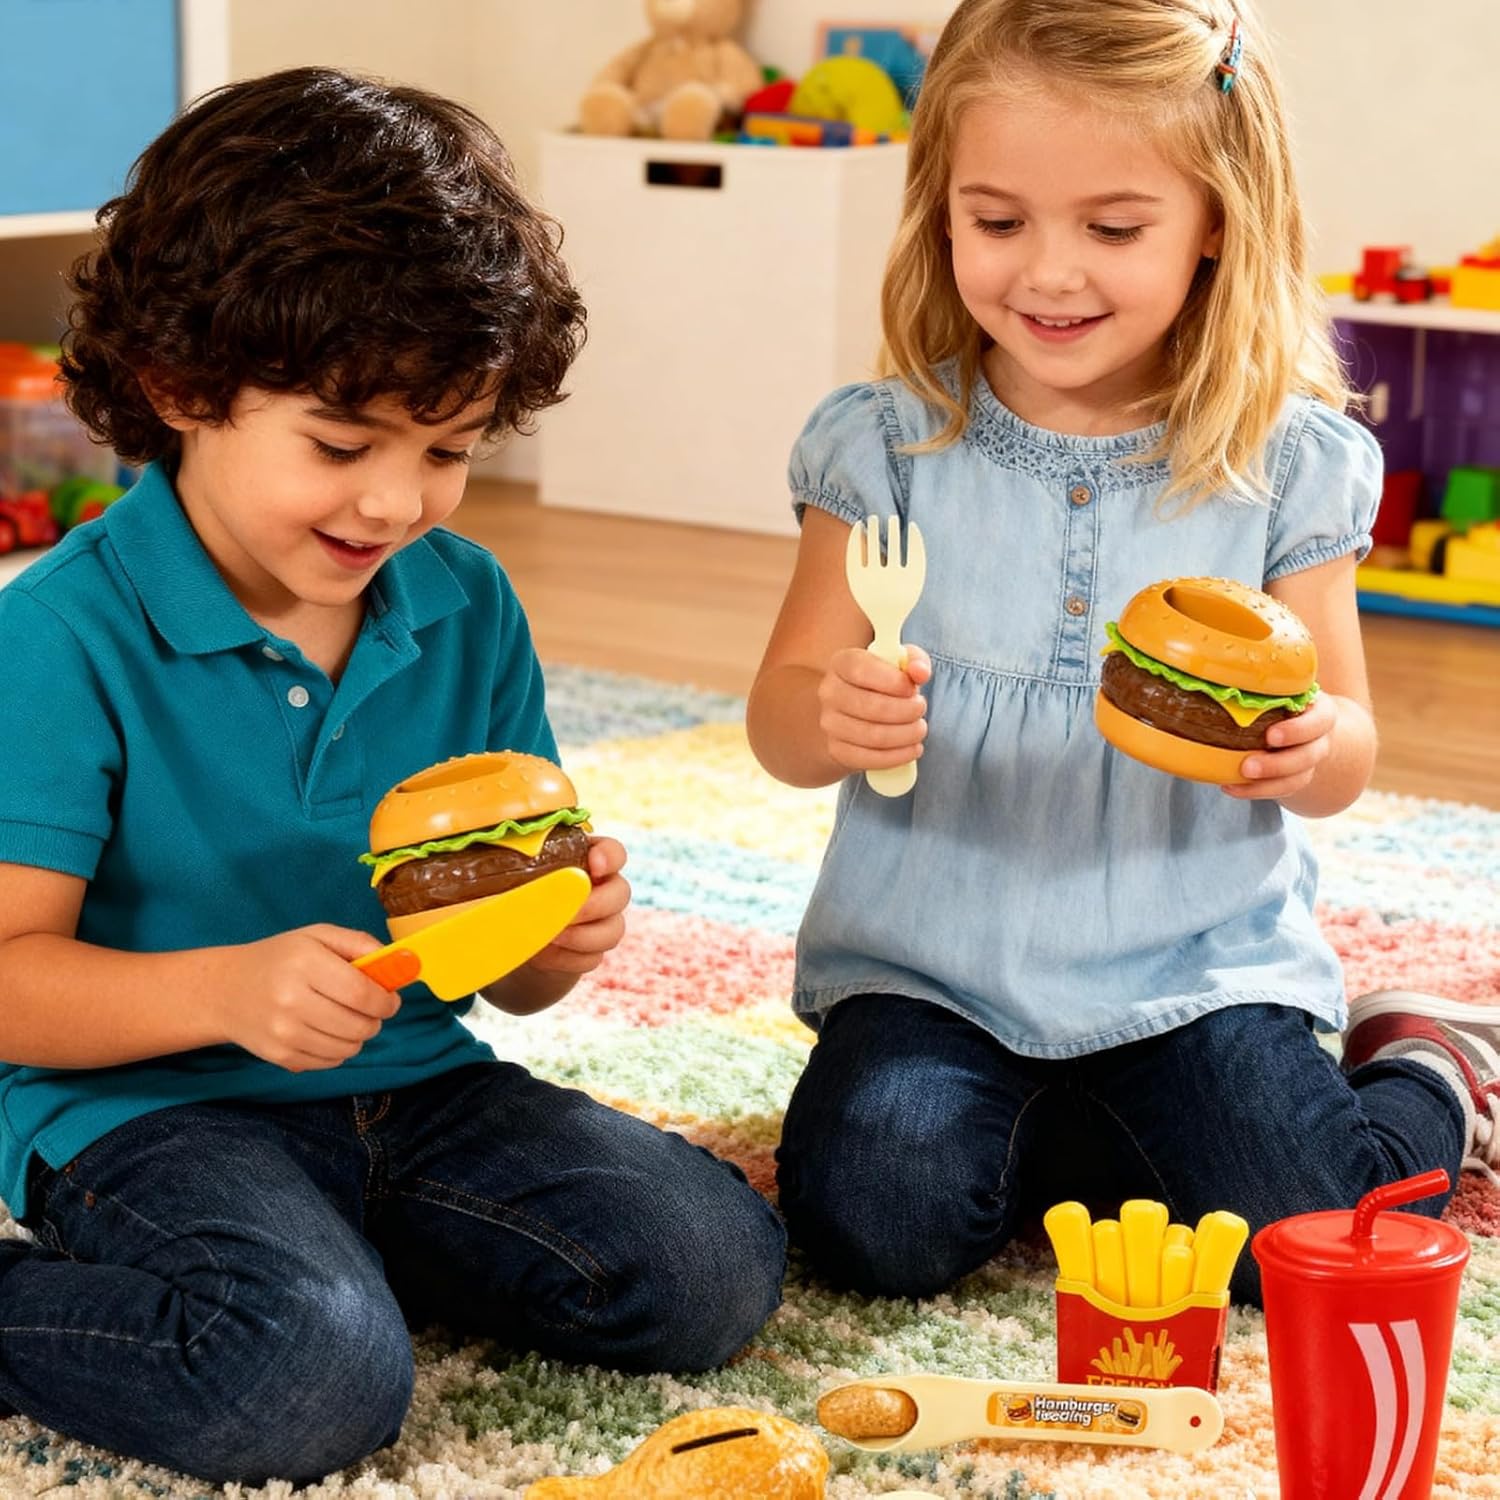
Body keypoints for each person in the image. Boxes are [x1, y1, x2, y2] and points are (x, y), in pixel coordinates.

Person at [0, 68, 784, 1485]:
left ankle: (333, 1270)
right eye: (342, 444)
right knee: (299, 1384)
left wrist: (553, 941)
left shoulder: (466, 603)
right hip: (150, 1114)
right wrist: (220, 993)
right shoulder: (61, 635)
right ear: (179, 384)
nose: (395, 501)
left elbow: (501, 974)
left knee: (710, 1267)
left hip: (420, 1089)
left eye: (448, 451)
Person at [746, 0, 1498, 1307]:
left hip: (1194, 976)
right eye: (998, 222)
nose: (1049, 274)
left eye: (1112, 229)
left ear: (1216, 222)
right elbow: (780, 717)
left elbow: (1348, 751)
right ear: (939, 209)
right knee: (873, 1224)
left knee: (1307, 1240)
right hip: (934, 976)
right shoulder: (883, 449)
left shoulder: (1287, 463)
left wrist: (1310, 745)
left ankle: (1430, 1062)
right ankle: (1082, 1139)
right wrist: (832, 715)